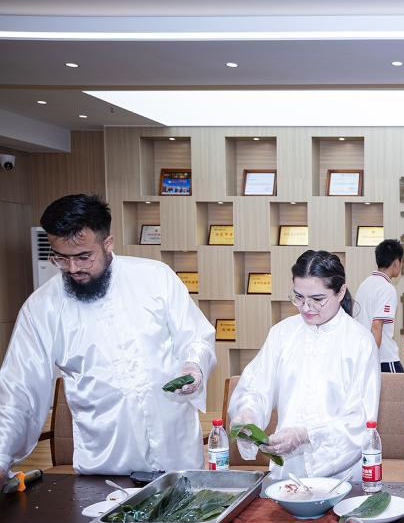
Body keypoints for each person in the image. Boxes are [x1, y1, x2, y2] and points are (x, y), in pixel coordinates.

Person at [0, 194, 215, 476]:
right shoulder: (43, 307)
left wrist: (194, 365)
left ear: (108, 243)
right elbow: (18, 390)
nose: (73, 269)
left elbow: (195, 335)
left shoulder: (155, 277)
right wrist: (1, 457)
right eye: (61, 258)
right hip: (105, 463)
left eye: (83, 257)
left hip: (176, 455)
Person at [228, 250, 380, 480]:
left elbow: (361, 419)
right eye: (299, 297)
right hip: (288, 469)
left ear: (340, 292)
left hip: (342, 473)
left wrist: (308, 436)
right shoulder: (282, 333)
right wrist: (247, 414)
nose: (306, 307)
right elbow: (255, 386)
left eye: (317, 299)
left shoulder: (360, 341)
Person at [353, 238, 404, 373]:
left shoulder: (365, 284)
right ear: (396, 263)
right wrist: (372, 360)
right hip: (383, 358)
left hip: (364, 354)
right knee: (402, 386)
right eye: (401, 261)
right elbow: (376, 326)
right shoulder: (387, 288)